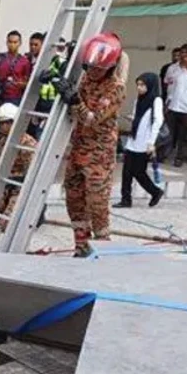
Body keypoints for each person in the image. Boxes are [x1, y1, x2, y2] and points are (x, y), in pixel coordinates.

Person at [56, 32, 126, 257]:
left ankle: (103, 252)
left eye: (99, 69)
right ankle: (81, 248)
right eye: (90, 67)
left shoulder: (115, 88)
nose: (93, 72)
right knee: (74, 201)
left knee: (97, 206)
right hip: (78, 150)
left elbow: (93, 119)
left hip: (99, 156)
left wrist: (75, 101)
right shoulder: (86, 79)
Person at [114, 73, 164, 208]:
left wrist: (151, 143)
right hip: (134, 139)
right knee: (126, 172)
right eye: (138, 85)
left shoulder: (156, 100)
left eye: (142, 85)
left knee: (138, 172)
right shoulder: (139, 99)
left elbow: (157, 121)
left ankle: (155, 191)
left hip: (145, 142)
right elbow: (138, 116)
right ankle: (126, 199)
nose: (139, 88)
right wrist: (132, 118)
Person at [0, 102, 38, 231]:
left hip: (20, 185)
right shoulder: (3, 141)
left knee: (6, 224)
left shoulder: (27, 143)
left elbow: (31, 172)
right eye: (0, 123)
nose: (2, 126)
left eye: (6, 122)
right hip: (6, 183)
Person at [0, 30, 31, 109]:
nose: (12, 45)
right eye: (10, 42)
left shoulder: (25, 61)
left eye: (15, 42)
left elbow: (27, 82)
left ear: (20, 43)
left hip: (16, 98)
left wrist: (20, 84)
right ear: (7, 42)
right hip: (0, 96)